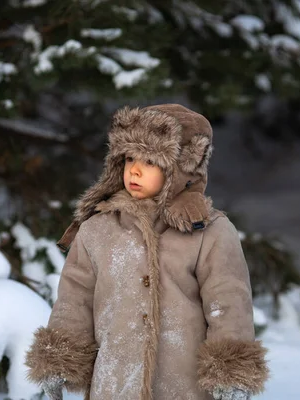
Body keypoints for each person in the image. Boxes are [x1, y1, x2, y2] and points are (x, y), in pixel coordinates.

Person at [25, 104, 269, 400]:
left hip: (182, 387)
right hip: (114, 384)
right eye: (129, 158)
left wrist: (231, 375)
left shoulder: (209, 232)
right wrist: (58, 360)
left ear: (181, 168)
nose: (135, 170)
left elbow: (228, 304)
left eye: (150, 161)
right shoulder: (97, 230)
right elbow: (75, 299)